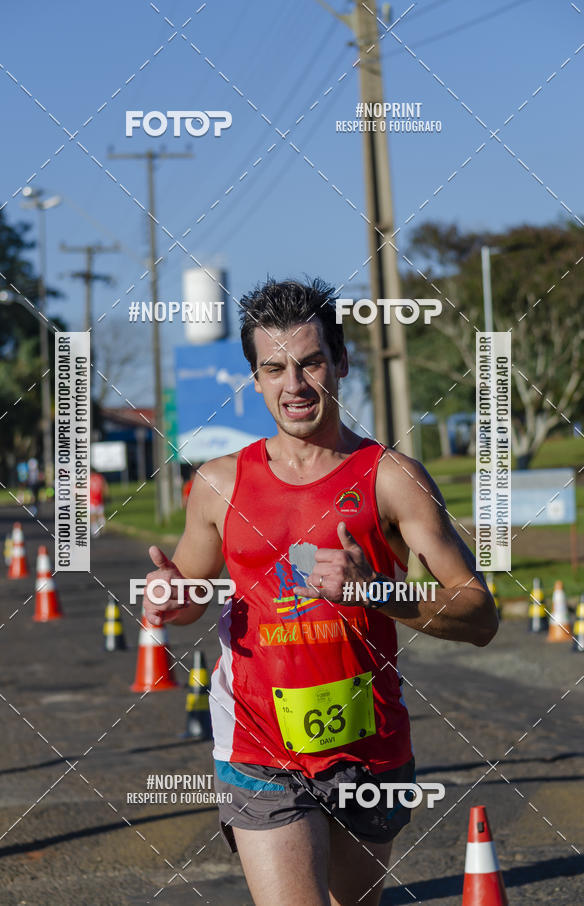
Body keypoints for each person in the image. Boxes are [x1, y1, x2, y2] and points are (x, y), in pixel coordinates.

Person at [142, 278, 498, 906]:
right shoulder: (220, 484)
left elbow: (479, 613)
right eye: (274, 368)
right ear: (255, 378)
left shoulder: (392, 478)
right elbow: (192, 594)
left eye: (310, 362)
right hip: (259, 747)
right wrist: (170, 597)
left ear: (341, 362)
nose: (294, 384)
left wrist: (377, 591)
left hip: (369, 748)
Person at [90, 470, 108, 536]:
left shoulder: (87, 479)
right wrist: (106, 496)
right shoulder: (100, 477)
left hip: (91, 499)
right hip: (99, 498)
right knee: (100, 514)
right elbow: (105, 487)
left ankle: (95, 531)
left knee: (92, 516)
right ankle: (102, 526)